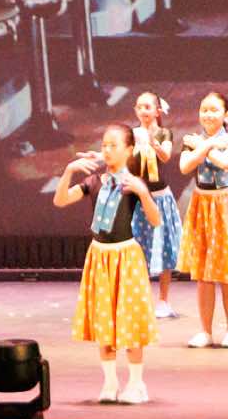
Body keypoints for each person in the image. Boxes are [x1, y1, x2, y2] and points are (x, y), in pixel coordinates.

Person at [53, 124, 161, 404]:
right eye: (104, 145)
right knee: (105, 321)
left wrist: (143, 193)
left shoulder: (133, 183)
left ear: (129, 150)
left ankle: (136, 384)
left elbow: (155, 220)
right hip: (100, 256)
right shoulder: (94, 182)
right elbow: (61, 200)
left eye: (114, 145)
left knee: (130, 321)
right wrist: (69, 171)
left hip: (126, 257)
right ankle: (110, 383)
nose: (108, 150)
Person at [177, 92, 228, 349]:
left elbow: (225, 163)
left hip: (225, 206)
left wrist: (203, 146)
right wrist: (204, 146)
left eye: (214, 110)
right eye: (204, 110)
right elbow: (185, 167)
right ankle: (205, 331)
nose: (208, 114)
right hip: (201, 204)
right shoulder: (191, 141)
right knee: (203, 275)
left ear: (226, 114)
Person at [131, 92, 183, 320]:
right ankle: (140, 299)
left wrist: (153, 143)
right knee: (137, 249)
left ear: (157, 111)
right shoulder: (131, 134)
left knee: (164, 248)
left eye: (147, 107)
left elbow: (165, 156)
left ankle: (163, 300)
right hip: (138, 199)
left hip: (160, 197)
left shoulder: (164, 133)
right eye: (139, 107)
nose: (143, 111)